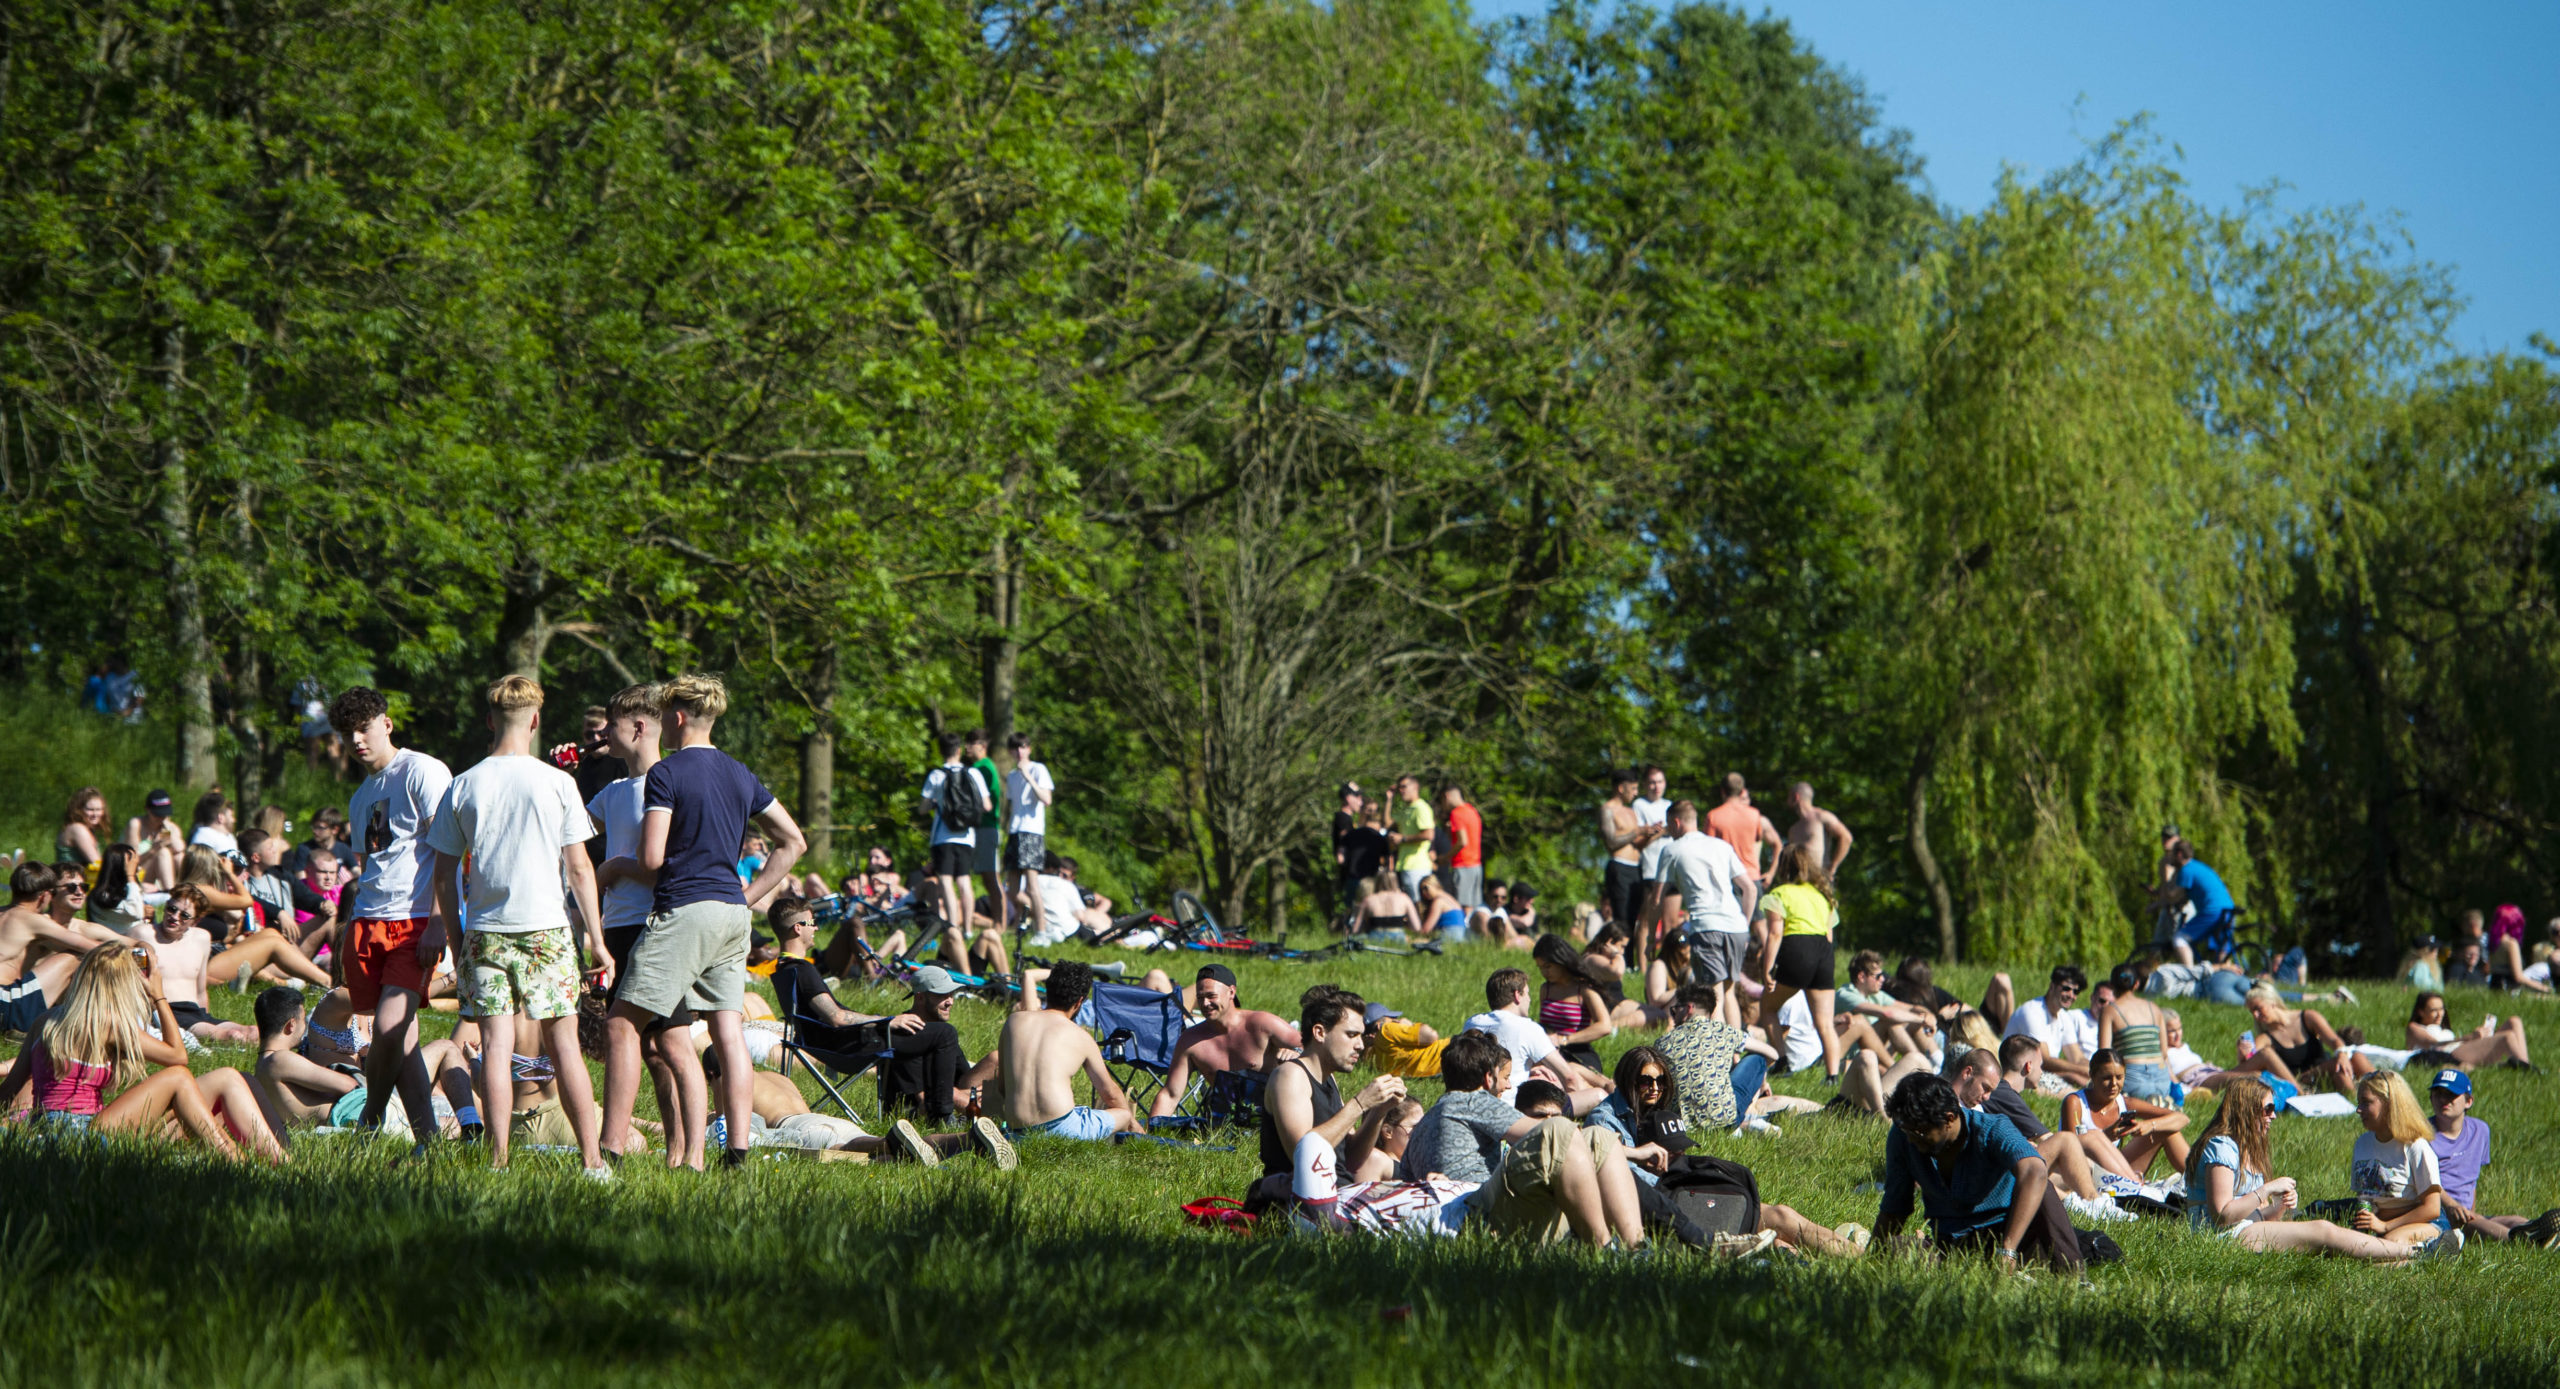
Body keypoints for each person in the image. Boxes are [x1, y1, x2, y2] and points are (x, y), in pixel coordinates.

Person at [605, 672, 807, 1170]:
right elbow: (794, 842)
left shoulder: (667, 773)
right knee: (727, 1030)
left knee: (622, 1025)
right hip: (732, 918)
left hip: (685, 910)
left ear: (676, 718)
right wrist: (748, 895)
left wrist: (614, 868)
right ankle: (735, 1152)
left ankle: (605, 1153)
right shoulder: (741, 773)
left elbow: (651, 860)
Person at [424, 674, 615, 1177]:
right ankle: (593, 1161)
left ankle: (499, 1161)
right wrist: (596, 938)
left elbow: (444, 873)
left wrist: (456, 936)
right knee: (564, 1044)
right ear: (534, 721)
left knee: (495, 1047)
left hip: (486, 928)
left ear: (490, 721)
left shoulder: (464, 783)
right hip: (547, 931)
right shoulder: (558, 782)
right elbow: (579, 868)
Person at [0, 944, 286, 1161]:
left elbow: (10, 1088)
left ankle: (250, 1158)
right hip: (83, 1134)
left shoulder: (45, 1022)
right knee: (179, 1078)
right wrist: (159, 995)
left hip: (49, 1127)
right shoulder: (110, 1024)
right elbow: (178, 1057)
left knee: (205, 1098)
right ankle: (233, 1160)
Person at [586, 681, 707, 1159]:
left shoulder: (668, 781)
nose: (602, 733)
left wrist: (615, 868)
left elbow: (672, 863)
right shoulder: (614, 791)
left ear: (637, 727)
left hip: (656, 925)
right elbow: (569, 827)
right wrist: (574, 766)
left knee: (673, 1043)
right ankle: (676, 1150)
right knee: (656, 1049)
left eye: (610, 726)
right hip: (618, 927)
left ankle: (687, 1153)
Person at [331, 684, 456, 1140]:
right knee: (400, 1039)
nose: (357, 740)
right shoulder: (361, 796)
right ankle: (427, 1138)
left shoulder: (422, 771)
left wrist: (440, 922)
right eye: (348, 734)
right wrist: (350, 930)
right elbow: (372, 867)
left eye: (364, 728)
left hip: (414, 923)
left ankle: (371, 1116)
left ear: (386, 723)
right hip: (367, 923)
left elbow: (450, 850)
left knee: (386, 1029)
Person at [1401, 1029, 1648, 1248]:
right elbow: (1552, 1134)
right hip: (1482, 1219)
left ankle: (1628, 1249)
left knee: (1595, 1136)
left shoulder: (1424, 1124)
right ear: (1488, 1077)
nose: (1507, 1087)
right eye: (1503, 1076)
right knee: (1575, 1133)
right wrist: (1633, 1153)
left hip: (1455, 1218)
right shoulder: (1472, 1100)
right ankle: (1611, 1248)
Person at [2185, 1077, 2458, 1262]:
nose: (2274, 1116)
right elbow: (2222, 1216)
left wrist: (2277, 1208)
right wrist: (2266, 1189)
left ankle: (2414, 1254)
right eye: (2268, 1109)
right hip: (2220, 1238)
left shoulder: (2246, 1149)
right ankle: (2417, 1253)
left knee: (2325, 1239)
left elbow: (2251, 1215)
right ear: (2246, 1110)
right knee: (2323, 1231)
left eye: (2274, 1108)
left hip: (2239, 1231)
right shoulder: (2222, 1146)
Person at [1873, 1071, 2077, 1272]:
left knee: (2043, 1189)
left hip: (2008, 1233)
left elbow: (2034, 1171)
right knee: (1896, 1248)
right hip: (1952, 1244)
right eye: (1906, 1130)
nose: (1911, 1139)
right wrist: (1873, 1256)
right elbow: (1895, 1207)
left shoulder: (1993, 1128)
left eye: (1919, 1133)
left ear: (1949, 1119)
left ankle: (2074, 1276)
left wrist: (2008, 1250)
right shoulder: (1902, 1137)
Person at [1259, 984, 1404, 1192]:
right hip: (1299, 1205)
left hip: (1340, 1194)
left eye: (1360, 1036)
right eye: (1351, 1035)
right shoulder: (1290, 1076)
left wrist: (1379, 1111)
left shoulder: (1329, 1079)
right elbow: (1304, 1158)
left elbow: (1351, 1159)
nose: (1360, 1045)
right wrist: (1360, 1103)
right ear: (1320, 1033)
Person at [142, 885, 328, 1044]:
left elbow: (200, 991)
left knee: (255, 1032)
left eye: (184, 915)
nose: (175, 916)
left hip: (195, 1012)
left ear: (196, 920)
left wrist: (205, 1017)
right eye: (171, 909)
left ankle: (308, 1039)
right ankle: (326, 989)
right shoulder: (144, 934)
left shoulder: (200, 938)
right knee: (234, 1036)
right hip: (168, 1012)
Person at [1950, 1047, 2119, 1216]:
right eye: (1985, 1088)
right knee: (2063, 1142)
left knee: (2066, 1167)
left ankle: (2093, 1201)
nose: (1987, 1097)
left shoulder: (1975, 1106)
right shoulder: (1946, 1105)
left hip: (1996, 1174)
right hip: (1980, 1182)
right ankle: (2087, 1203)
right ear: (1967, 1073)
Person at [995, 960, 1138, 1139]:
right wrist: (1133, 1123)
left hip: (1016, 1130)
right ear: (1079, 1002)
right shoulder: (1082, 1037)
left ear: (1048, 990)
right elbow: (1111, 1094)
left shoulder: (1013, 1021)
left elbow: (1002, 1087)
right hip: (1062, 1130)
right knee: (1123, 1114)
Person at [1644, 800, 1757, 1026]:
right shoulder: (1721, 846)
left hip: (1706, 926)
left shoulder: (1671, 850)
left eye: (1669, 826)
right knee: (1728, 993)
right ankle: (1734, 1054)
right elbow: (1750, 889)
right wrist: (1744, 924)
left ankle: (1720, 1055)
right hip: (1736, 926)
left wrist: (1649, 939)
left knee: (1711, 997)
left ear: (1676, 822)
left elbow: (1657, 899)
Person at [2424, 1069, 2557, 1245]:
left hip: (2465, 1210)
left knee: (2513, 1219)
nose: (2443, 1100)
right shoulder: (2423, 1135)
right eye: (2438, 1094)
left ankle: (2542, 1233)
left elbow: (2472, 1177)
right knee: (2474, 1222)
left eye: (2451, 1095)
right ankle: (2522, 1240)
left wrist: (2472, 1210)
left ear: (2468, 1101)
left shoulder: (2480, 1130)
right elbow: (2426, 1182)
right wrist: (2452, 1205)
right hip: (2439, 1210)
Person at [1154, 963, 1301, 1120]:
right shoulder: (1190, 1040)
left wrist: (1297, 1053)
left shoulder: (1262, 1024)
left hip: (1275, 1117)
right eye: (1200, 998)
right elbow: (1170, 1094)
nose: (1205, 1004)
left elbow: (1312, 1046)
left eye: (1211, 996)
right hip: (1224, 1124)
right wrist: (1147, 1134)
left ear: (1231, 992)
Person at [1753, 843, 1843, 1083]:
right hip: (1824, 953)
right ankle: (1833, 1076)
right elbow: (1829, 936)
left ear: (1783, 867)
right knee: (1824, 1021)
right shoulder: (1822, 896)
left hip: (1796, 950)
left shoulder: (1779, 894)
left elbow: (1774, 934)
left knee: (1768, 1007)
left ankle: (1782, 1063)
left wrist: (1767, 969)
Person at [1465, 966, 1606, 1111]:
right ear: (1517, 995)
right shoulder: (1527, 1027)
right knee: (1598, 1095)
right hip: (1512, 1108)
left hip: (1472, 1105)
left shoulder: (1472, 1023)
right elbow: (1569, 1078)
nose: (1530, 999)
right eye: (1527, 993)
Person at [1657, 984, 1781, 1138]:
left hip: (1680, 1122)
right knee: (1757, 1059)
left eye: (1674, 1010)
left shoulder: (1662, 1042)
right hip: (1724, 1118)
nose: (1673, 1017)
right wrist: (1762, 1083)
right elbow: (1773, 1054)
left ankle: (1742, 1123)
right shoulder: (1724, 1031)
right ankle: (1743, 1118)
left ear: (1688, 1008)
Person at [2346, 1071, 2449, 1247]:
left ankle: (2441, 1246)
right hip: (2380, 1223)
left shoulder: (2415, 1146)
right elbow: (2364, 1196)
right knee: (2351, 1246)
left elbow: (2432, 1208)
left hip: (2425, 1223)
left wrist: (2386, 1226)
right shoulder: (2362, 1143)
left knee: (2389, 1245)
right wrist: (2366, 1220)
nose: (2358, 1109)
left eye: (2366, 1102)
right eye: (2358, 1102)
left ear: (2389, 1104)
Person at [2059, 1049, 2191, 1183]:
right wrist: (2106, 1136)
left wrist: (2148, 1125)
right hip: (2084, 1171)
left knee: (2166, 1130)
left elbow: (2182, 1118)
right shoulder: (2075, 1102)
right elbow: (2069, 1149)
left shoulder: (2125, 1103)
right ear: (2092, 1075)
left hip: (2115, 1167)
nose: (2114, 1084)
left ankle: (2198, 1182)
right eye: (2106, 1078)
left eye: (2119, 1077)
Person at [0, 863, 98, 1038]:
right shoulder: (31, 919)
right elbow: (87, 946)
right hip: (6, 1003)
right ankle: (25, 1026)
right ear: (44, 895)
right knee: (74, 957)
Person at [919, 732, 989, 964]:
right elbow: (987, 805)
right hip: (967, 836)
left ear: (941, 751)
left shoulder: (937, 775)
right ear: (959, 750)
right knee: (964, 881)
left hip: (943, 836)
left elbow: (923, 807)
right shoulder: (974, 773)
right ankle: (968, 928)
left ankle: (952, 925)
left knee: (947, 882)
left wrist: (936, 802)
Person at [2231, 982, 2370, 1092]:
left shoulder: (2307, 1017)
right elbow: (2251, 1064)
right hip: (2303, 1080)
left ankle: (2384, 1089)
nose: (2255, 1015)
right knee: (2337, 1067)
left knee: (2356, 1057)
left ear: (2272, 1002)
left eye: (2258, 1008)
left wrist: (2341, 1054)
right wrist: (2242, 1056)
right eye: (2252, 1012)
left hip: (2326, 1068)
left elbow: (2333, 1039)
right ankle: (2355, 1102)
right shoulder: (2265, 1038)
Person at [1835, 950, 1940, 1068]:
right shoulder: (1846, 994)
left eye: (1883, 975)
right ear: (1861, 976)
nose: (1883, 979)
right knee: (1890, 1022)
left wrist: (1927, 1015)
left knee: (1908, 1022)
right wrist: (1921, 1019)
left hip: (1870, 1050)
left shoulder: (1875, 995)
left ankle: (1936, 1062)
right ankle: (1919, 1067)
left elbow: (1911, 1008)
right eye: (1878, 976)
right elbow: (1887, 1013)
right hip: (1850, 1054)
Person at [1531, 933, 1615, 1076]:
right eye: (1540, 968)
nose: (1544, 972)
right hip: (1550, 1052)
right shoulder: (1546, 989)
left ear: (1561, 961)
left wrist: (1565, 1039)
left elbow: (1605, 1026)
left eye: (1548, 966)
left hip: (1579, 1053)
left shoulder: (1583, 989)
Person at [1999, 964, 2096, 1088]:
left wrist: (2097, 1070)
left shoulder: (2063, 1017)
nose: (2071, 995)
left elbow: (2077, 1057)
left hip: (2042, 1072)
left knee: (2089, 1081)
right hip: (2022, 1074)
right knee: (2076, 1081)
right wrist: (2082, 1071)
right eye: (2066, 988)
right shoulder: (2032, 1012)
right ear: (2052, 986)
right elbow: (2045, 1060)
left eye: (2075, 991)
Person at [2095, 965, 2179, 1102]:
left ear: (2111, 985)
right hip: (2162, 1080)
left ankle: (2133, 1099)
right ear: (2136, 984)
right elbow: (2163, 1052)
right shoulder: (2154, 1008)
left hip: (2133, 1080)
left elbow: (2104, 1053)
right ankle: (2159, 1100)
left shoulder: (2110, 1010)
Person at [1001, 731, 1054, 936]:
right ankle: (1022, 924)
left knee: (1032, 885)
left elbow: (1046, 799)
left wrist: (1028, 776)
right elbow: (1013, 805)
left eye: (1023, 747)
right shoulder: (1012, 776)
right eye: (1015, 748)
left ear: (1029, 749)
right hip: (1015, 831)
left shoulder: (1039, 769)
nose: (1019, 752)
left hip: (1032, 832)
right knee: (1012, 889)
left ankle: (1042, 929)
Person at [1596, 769, 1657, 932]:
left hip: (1636, 868)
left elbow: (1637, 844)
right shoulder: (1607, 810)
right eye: (1633, 789)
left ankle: (1630, 957)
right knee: (1622, 918)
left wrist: (1653, 834)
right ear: (1621, 788)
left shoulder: (1631, 812)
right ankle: (1621, 955)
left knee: (1633, 918)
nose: (1636, 793)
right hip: (1619, 867)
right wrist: (1638, 831)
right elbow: (1611, 842)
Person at [2402, 990, 2529, 1069]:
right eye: (2433, 1010)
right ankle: (2526, 1069)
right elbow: (2434, 1044)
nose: (2440, 1014)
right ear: (2420, 1012)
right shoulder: (2414, 1028)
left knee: (2514, 1021)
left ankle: (2524, 1062)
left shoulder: (2442, 1029)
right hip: (2449, 1055)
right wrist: (2468, 1038)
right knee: (2507, 1036)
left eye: (2441, 1009)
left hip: (2462, 1048)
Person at [2161, 840, 2236, 967]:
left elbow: (2172, 896)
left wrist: (2165, 874)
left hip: (2212, 911)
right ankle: (2228, 976)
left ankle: (2190, 976)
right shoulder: (2199, 867)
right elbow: (2184, 897)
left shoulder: (2186, 870)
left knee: (2180, 939)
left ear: (2179, 854)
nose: (2170, 858)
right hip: (2228, 909)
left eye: (2172, 854)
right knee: (2221, 950)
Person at [1705, 774, 1781, 887]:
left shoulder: (1713, 816)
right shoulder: (1754, 815)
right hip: (1751, 879)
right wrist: (1770, 874)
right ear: (1741, 792)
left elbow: (1708, 851)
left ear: (1722, 791)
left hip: (1726, 879)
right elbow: (1777, 844)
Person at [1781, 781, 1853, 882]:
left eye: (1788, 796)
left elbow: (1846, 837)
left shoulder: (1821, 817)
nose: (1786, 800)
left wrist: (1833, 867)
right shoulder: (1793, 830)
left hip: (1820, 880)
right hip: (1798, 881)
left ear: (1796, 797)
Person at [1363, 1002, 1447, 1078]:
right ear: (1379, 1026)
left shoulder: (1372, 1059)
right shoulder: (1386, 1030)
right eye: (1392, 1018)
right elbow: (1431, 1036)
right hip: (1451, 1052)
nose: (1397, 1020)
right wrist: (1409, 1025)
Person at [1387, 775, 1435, 901]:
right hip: (1406, 866)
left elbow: (1429, 835)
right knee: (1411, 906)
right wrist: (1389, 800)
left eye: (1404, 786)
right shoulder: (1407, 809)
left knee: (1418, 905)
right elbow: (1387, 823)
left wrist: (1402, 839)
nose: (1401, 791)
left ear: (1415, 787)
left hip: (1417, 867)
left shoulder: (1420, 808)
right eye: (1399, 788)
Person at [126, 788, 182, 890]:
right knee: (163, 852)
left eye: (164, 815)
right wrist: (153, 850)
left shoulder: (167, 828)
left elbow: (179, 849)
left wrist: (167, 828)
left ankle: (190, 890)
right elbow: (130, 862)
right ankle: (169, 892)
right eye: (157, 815)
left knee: (179, 856)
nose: (160, 818)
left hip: (161, 874)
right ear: (147, 810)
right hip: (138, 873)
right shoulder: (136, 825)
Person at [1438, 785, 1484, 911]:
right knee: (1472, 906)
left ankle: (1462, 931)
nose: (1443, 805)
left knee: (1461, 906)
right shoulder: (1472, 811)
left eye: (1442, 801)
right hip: (1476, 865)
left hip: (1463, 865)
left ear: (1446, 796)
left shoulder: (1456, 813)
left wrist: (1446, 858)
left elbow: (1462, 842)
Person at [56, 787, 108, 888]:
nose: (95, 814)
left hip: (79, 885)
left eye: (98, 809)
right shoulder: (78, 829)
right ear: (78, 809)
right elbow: (96, 863)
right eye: (90, 810)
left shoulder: (87, 829)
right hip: (70, 888)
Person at [1351, 872, 1422, 938]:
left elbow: (1356, 929)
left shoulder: (1369, 900)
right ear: (1395, 882)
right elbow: (1416, 927)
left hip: (1374, 938)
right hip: (1398, 938)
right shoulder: (1404, 898)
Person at [188, 791, 240, 858]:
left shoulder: (229, 837)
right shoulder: (203, 839)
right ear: (221, 818)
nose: (234, 820)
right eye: (231, 816)